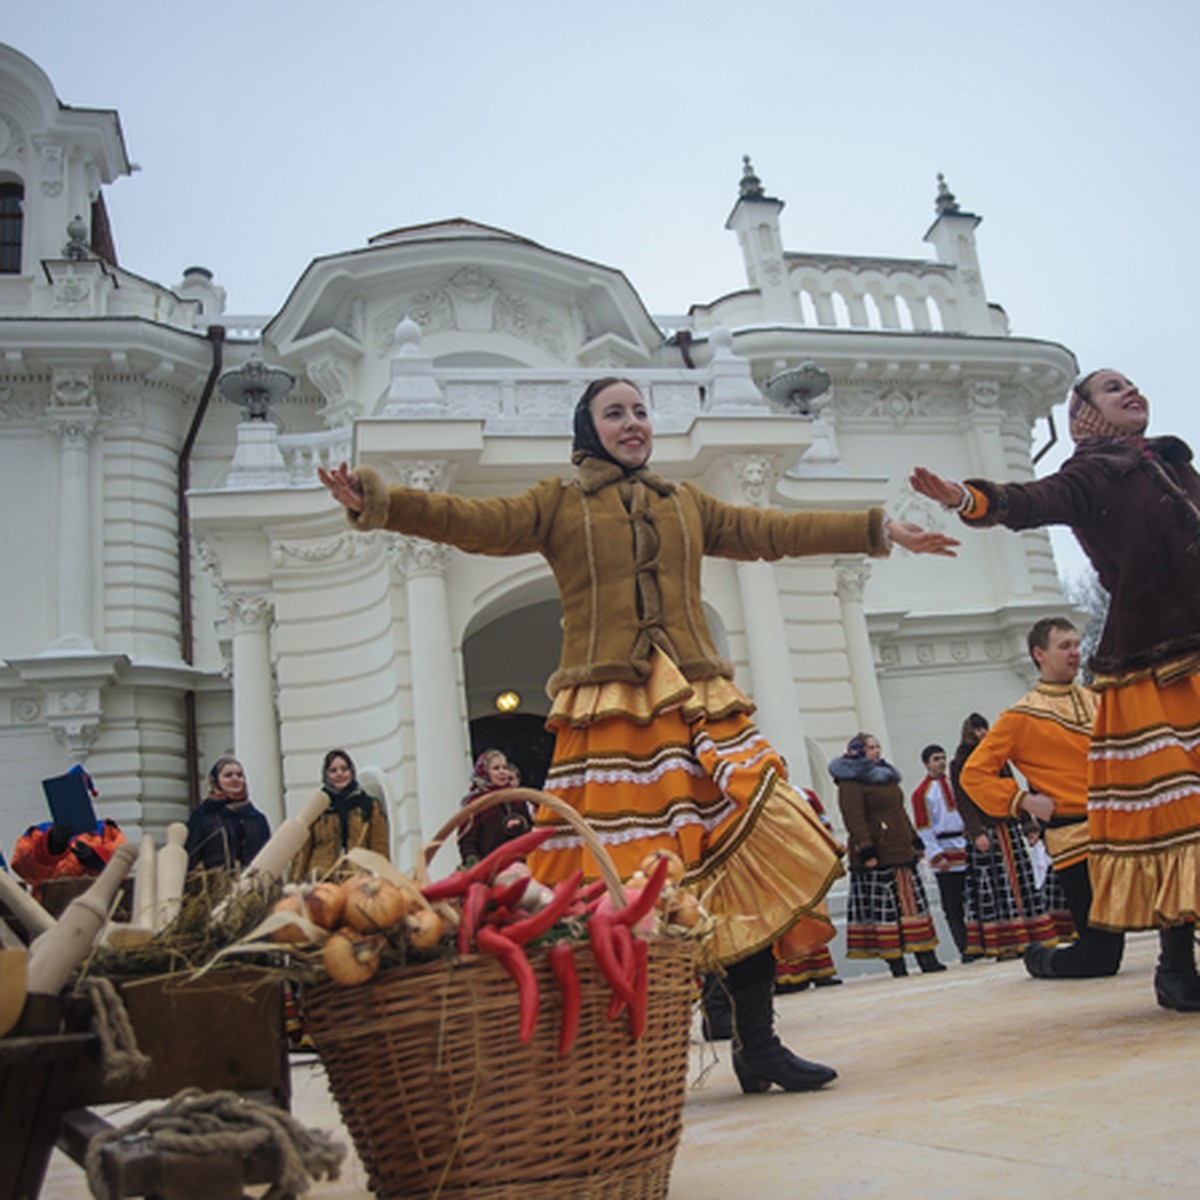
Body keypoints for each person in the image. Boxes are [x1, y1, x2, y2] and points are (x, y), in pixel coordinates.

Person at [321, 375, 958, 1093]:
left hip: (697, 705)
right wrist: (379, 503)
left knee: (739, 853)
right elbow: (472, 518)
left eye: (640, 411)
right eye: (614, 413)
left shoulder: (684, 502)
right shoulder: (557, 503)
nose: (633, 423)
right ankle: (625, 1062)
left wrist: (879, 530)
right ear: (588, 430)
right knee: (623, 883)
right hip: (609, 719)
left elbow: (772, 531)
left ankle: (758, 1041)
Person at [913, 368, 1200, 1010]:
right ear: (1085, 415)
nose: (1130, 391)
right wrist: (969, 499)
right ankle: (1177, 965)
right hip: (1151, 664)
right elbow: (1030, 500)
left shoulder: (1177, 464)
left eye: (1133, 383)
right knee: (1176, 817)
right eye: (1111, 388)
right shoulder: (1092, 474)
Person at [961, 617, 1121, 980]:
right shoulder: (1020, 716)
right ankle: (1039, 959)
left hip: (1121, 830)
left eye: (1077, 645)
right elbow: (974, 774)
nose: (1075, 653)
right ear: (1039, 654)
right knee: (1101, 958)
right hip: (1074, 839)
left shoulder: (1100, 701)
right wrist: (1022, 801)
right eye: (1064, 646)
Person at [831, 732, 946, 977]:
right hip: (878, 855)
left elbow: (899, 812)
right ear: (858, 751)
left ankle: (926, 956)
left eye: (877, 746)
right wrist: (866, 849)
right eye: (871, 747)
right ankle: (896, 963)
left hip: (900, 850)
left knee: (912, 905)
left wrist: (914, 839)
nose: (876, 751)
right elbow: (854, 819)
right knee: (887, 911)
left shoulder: (887, 777)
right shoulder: (850, 782)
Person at [950, 713, 1056, 959]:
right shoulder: (961, 763)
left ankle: (1033, 936)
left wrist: (1029, 826)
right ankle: (1004, 943)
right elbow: (963, 801)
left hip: (1008, 827)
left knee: (1022, 882)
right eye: (977, 730)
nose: (982, 733)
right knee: (995, 886)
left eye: (984, 728)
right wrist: (976, 832)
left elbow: (1012, 791)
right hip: (986, 830)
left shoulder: (997, 758)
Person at [290, 748, 391, 881]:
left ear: (352, 772)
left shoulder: (369, 806)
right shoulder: (317, 808)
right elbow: (303, 851)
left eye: (344, 769)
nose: (339, 774)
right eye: (333, 770)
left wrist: (383, 878)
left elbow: (379, 848)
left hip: (358, 880)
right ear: (326, 775)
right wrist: (294, 883)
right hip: (321, 882)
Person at [911, 743, 969, 961]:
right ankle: (963, 947)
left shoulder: (957, 784)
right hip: (944, 850)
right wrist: (935, 854)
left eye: (943, 758)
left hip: (964, 844)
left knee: (971, 899)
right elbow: (924, 827)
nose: (941, 763)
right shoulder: (921, 793)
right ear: (926, 764)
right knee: (952, 903)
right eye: (936, 759)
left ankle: (978, 943)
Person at [185, 757, 271, 871]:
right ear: (216, 781)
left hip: (252, 884)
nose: (235, 779)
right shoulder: (203, 816)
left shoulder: (256, 818)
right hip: (215, 885)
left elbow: (268, 855)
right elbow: (191, 857)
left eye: (239, 775)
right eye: (228, 775)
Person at [457, 749, 533, 866]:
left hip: (520, 864)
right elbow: (467, 842)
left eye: (504, 767)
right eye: (496, 768)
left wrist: (519, 825)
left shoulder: (516, 799)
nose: (502, 772)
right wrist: (476, 866)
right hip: (489, 868)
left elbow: (530, 831)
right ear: (485, 773)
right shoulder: (475, 803)